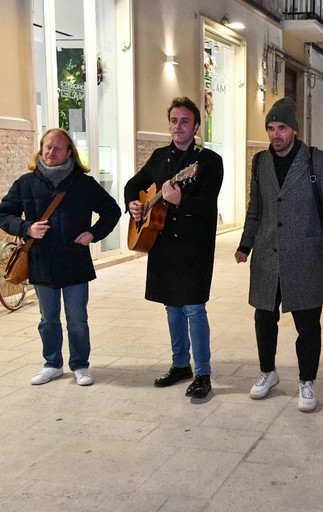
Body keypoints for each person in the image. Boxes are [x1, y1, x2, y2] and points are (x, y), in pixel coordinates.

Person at [234, 97, 323, 412]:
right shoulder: (260, 162)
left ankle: (306, 381)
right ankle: (267, 373)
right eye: (270, 128)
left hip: (304, 253)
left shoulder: (317, 161)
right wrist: (245, 244)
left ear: (293, 130)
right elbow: (256, 207)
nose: (275, 134)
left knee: (307, 323)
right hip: (267, 254)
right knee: (264, 318)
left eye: (281, 127)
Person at [0, 128, 120, 386]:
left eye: (57, 148)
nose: (51, 152)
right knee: (48, 319)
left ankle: (80, 366)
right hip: (42, 263)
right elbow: (3, 214)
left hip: (75, 262)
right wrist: (26, 228)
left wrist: (93, 234)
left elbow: (112, 210)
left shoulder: (83, 184)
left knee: (77, 319)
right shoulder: (26, 183)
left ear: (69, 152)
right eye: (47, 147)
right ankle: (52, 364)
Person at [124, 97, 223, 400]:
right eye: (173, 120)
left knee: (194, 308)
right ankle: (181, 364)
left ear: (195, 126)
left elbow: (207, 205)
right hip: (163, 245)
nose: (178, 126)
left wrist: (182, 202)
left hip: (194, 246)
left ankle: (203, 373)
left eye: (184, 121)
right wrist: (134, 205)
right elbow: (133, 184)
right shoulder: (158, 157)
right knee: (172, 306)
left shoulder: (208, 161)